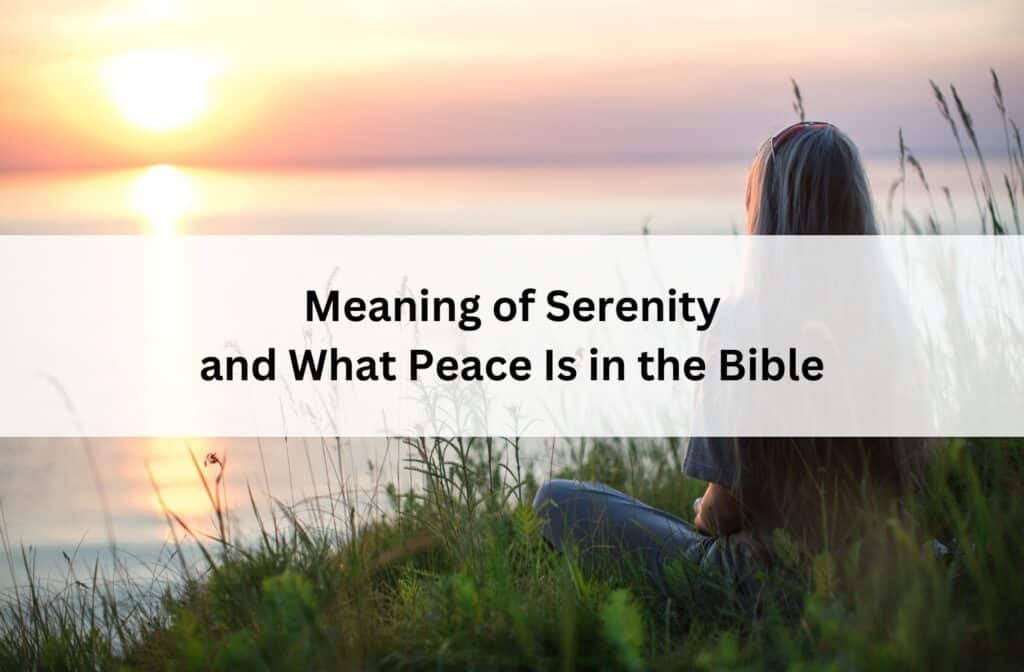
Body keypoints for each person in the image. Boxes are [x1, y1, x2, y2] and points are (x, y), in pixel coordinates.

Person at [532, 121, 928, 594]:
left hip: (766, 582)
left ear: (770, 216)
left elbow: (723, 514)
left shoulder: (745, 327)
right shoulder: (892, 320)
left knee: (557, 499)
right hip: (884, 570)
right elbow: (915, 482)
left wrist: (702, 510)